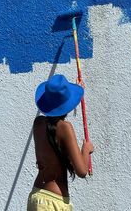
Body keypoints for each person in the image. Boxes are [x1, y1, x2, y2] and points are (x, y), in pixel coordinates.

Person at [27, 74, 94, 210]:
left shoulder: (38, 123)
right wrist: (86, 149)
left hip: (36, 196)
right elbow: (81, 171)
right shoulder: (65, 128)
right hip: (53, 202)